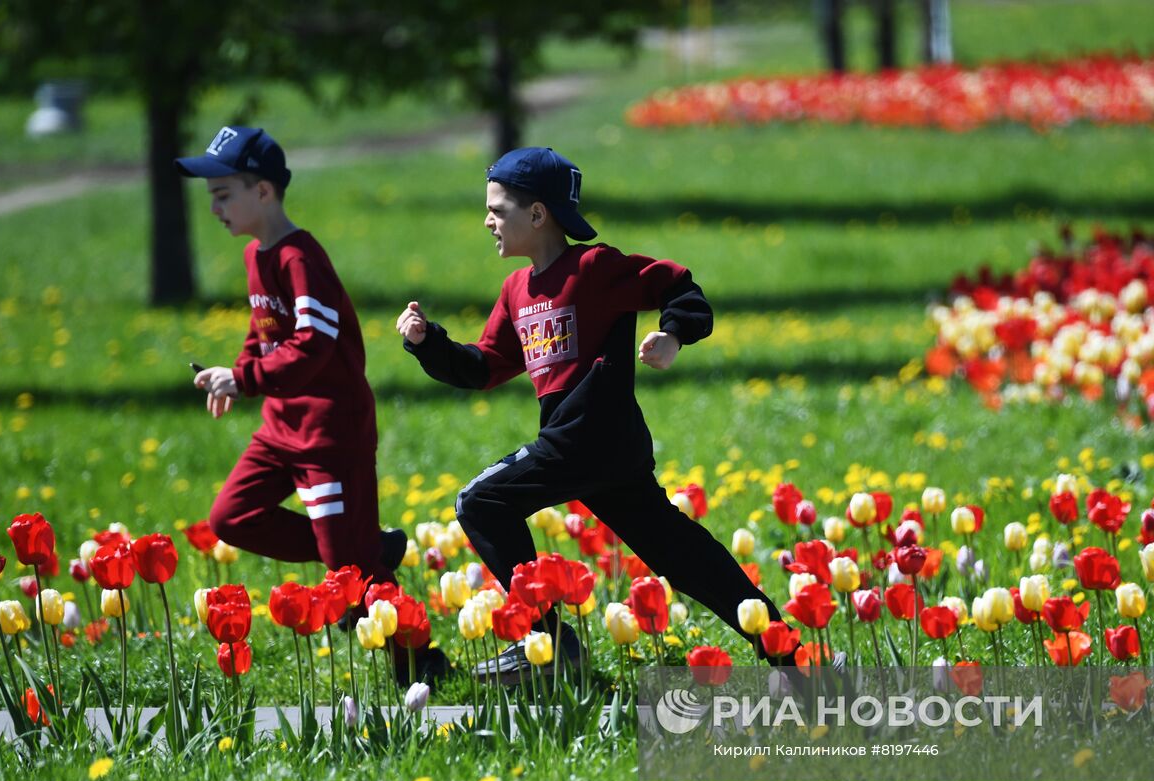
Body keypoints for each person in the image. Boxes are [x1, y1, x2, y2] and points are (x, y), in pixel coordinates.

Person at [397, 146, 785, 684]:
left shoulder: (594, 268)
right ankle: (788, 651)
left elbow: (677, 285)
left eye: (498, 209)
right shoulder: (516, 291)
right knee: (682, 552)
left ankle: (548, 642)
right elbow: (483, 366)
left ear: (537, 215)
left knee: (480, 501)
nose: (487, 220)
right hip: (594, 449)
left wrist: (672, 334)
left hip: (590, 436)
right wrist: (427, 342)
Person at [175, 125, 446, 686]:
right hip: (281, 431)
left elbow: (314, 346)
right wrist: (234, 375)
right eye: (211, 198)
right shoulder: (257, 256)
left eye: (223, 194)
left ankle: (421, 662)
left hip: (329, 435)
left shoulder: (302, 257)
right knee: (231, 517)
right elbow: (265, 330)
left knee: (350, 573)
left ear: (263, 193)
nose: (215, 208)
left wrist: (246, 378)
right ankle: (367, 550)